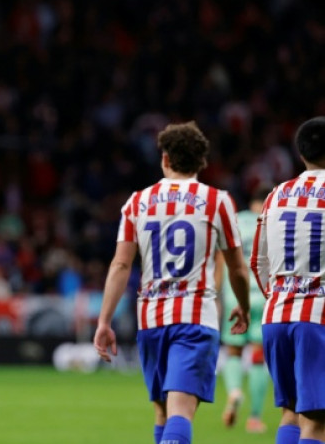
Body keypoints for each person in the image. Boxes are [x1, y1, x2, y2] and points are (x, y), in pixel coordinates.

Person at [93, 121, 252, 444]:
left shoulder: (137, 202)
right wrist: (243, 306)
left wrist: (104, 320)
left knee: (163, 412)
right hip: (195, 319)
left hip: (151, 320)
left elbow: (121, 263)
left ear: (165, 159)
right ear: (201, 162)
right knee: (180, 410)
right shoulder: (217, 200)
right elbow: (237, 268)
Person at [252, 117, 325, 444]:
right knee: (317, 423)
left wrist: (282, 294)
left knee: (291, 412)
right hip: (316, 319)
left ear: (300, 153)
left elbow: (258, 261)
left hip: (276, 316)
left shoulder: (276, 195)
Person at [217, 186, 272, 433]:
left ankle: (235, 391)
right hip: (264, 295)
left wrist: (216, 294)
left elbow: (222, 261)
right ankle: (255, 417)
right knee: (259, 357)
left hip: (234, 296)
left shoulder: (236, 221)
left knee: (234, 351)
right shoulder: (273, 220)